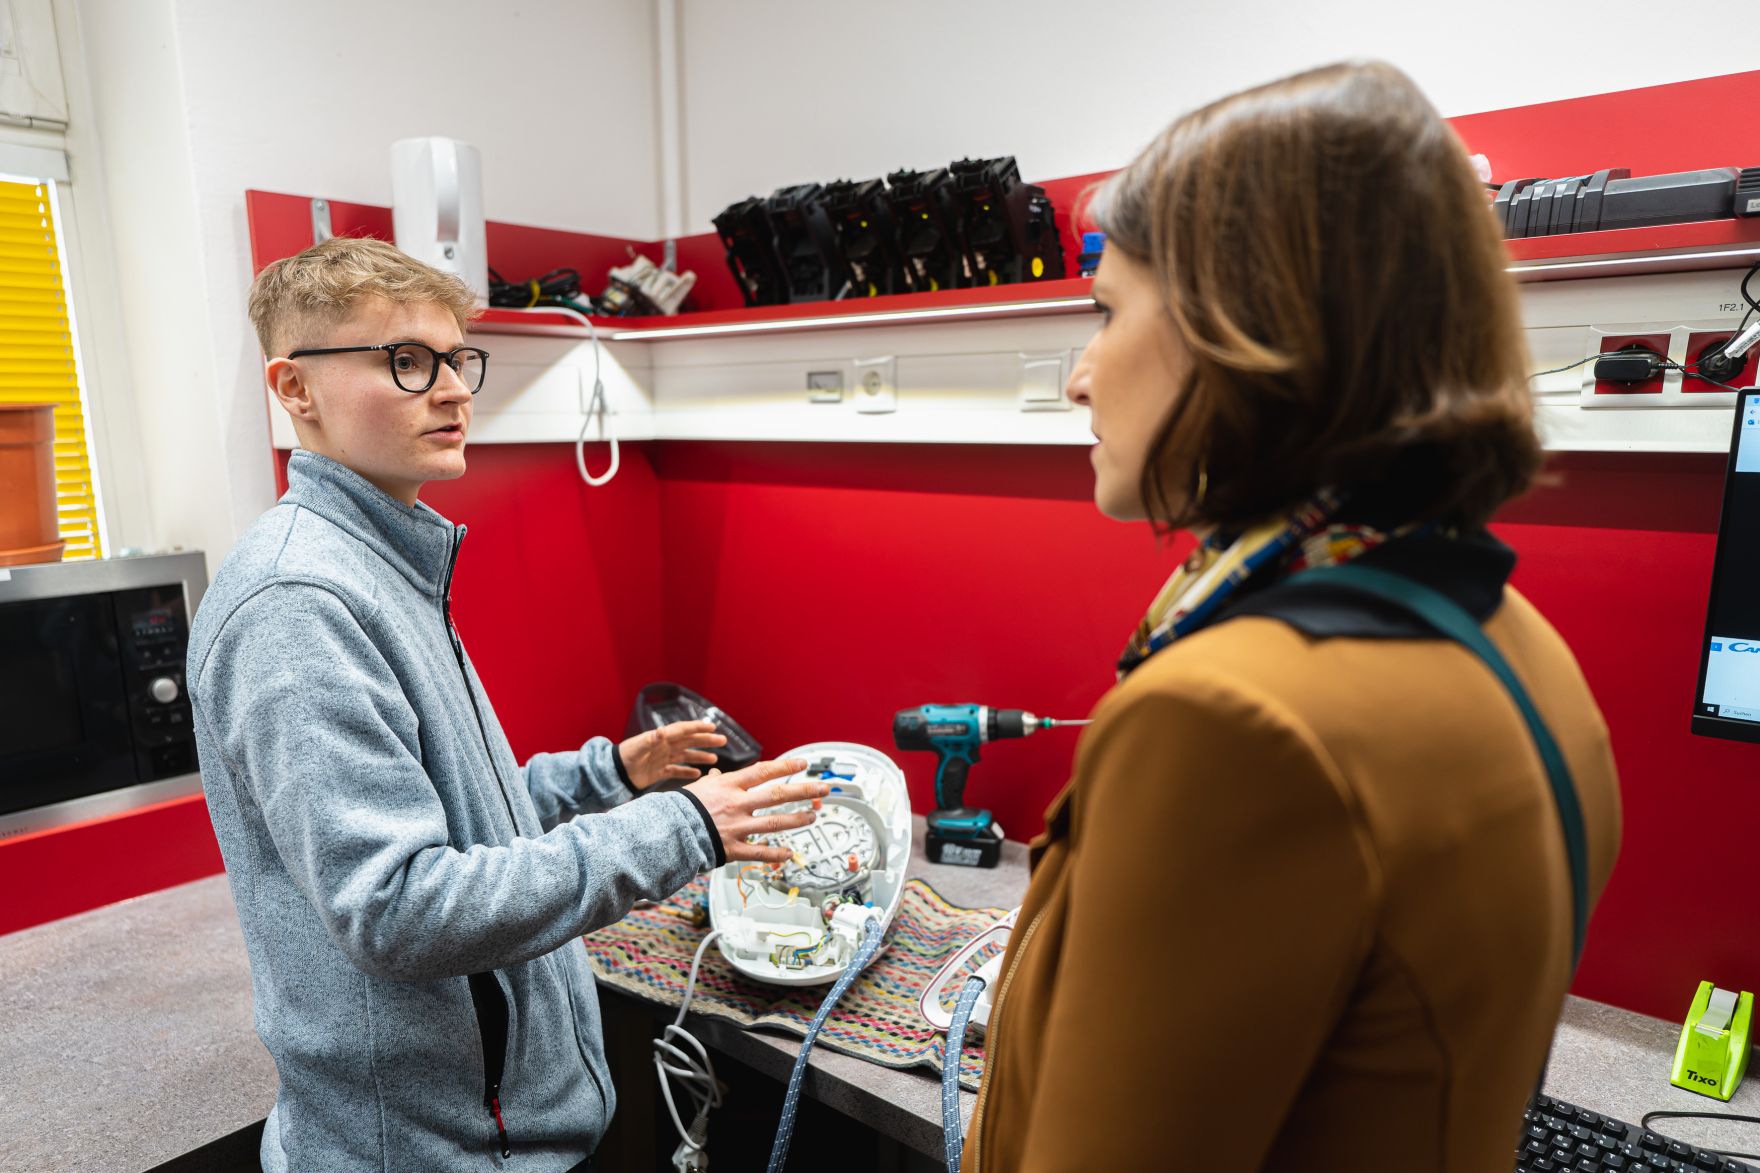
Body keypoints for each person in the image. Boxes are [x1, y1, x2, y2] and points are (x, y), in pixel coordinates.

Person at [966, 61, 1622, 1171]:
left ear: (1239, 334)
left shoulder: (1224, 720)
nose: (1079, 378)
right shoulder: (1516, 642)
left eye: (1107, 313)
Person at [187, 235, 827, 1171]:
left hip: (500, 1135)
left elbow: (461, 820)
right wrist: (680, 827)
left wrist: (611, 773)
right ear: (294, 390)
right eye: (406, 361)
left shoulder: (384, 559)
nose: (452, 390)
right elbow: (400, 906)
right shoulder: (298, 603)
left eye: (456, 359)